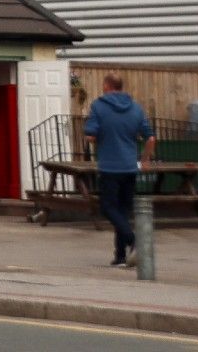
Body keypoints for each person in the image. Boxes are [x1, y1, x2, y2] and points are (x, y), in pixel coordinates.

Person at [83, 73, 156, 267]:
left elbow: (90, 135)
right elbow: (150, 138)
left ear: (107, 86)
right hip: (129, 167)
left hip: (109, 167)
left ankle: (134, 241)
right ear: (121, 87)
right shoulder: (136, 108)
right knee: (122, 211)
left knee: (108, 208)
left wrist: (97, 137)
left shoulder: (98, 106)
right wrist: (145, 159)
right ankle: (120, 256)